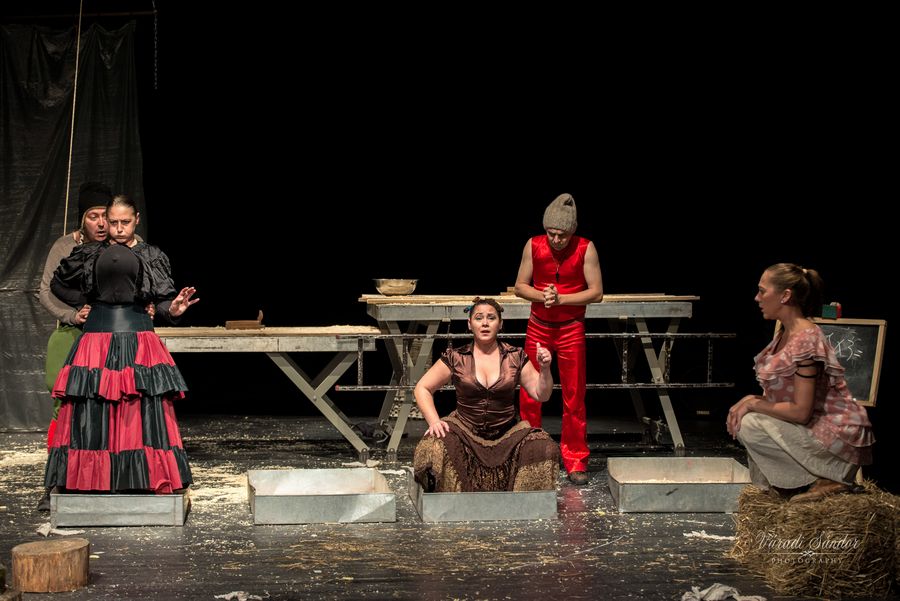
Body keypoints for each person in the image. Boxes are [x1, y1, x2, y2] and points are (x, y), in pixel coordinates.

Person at [44, 194, 198, 495]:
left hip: (137, 339)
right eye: (112, 222)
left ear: (136, 220)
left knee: (137, 409)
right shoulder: (90, 252)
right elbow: (58, 283)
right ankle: (88, 479)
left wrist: (172, 309)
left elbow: (163, 300)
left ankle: (141, 479)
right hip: (96, 342)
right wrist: (85, 304)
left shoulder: (150, 255)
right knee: (94, 408)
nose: (117, 228)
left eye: (125, 222)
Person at [727, 263, 874, 503]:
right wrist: (750, 399)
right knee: (747, 418)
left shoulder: (806, 339)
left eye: (762, 291)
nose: (757, 298)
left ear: (785, 295)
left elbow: (801, 412)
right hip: (811, 430)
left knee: (750, 423)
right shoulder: (785, 333)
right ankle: (794, 486)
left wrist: (753, 404)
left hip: (833, 436)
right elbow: (786, 400)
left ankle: (828, 478)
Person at [413, 298, 560, 492]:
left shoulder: (515, 356)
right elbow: (422, 388)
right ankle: (453, 503)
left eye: (491, 318)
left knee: (544, 448)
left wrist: (545, 369)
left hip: (507, 433)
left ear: (500, 324)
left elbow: (542, 394)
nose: (484, 323)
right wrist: (434, 422)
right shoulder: (456, 357)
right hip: (464, 431)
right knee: (431, 447)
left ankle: (521, 504)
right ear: (469, 324)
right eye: (478, 318)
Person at [514, 193, 603, 485]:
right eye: (551, 233)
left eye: (562, 235)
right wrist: (544, 296)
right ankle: (530, 455)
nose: (555, 240)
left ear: (572, 231)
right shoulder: (534, 245)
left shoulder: (586, 248)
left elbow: (596, 292)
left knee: (574, 396)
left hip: (571, 328)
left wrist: (561, 298)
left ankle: (575, 459)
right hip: (538, 327)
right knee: (530, 393)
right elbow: (520, 286)